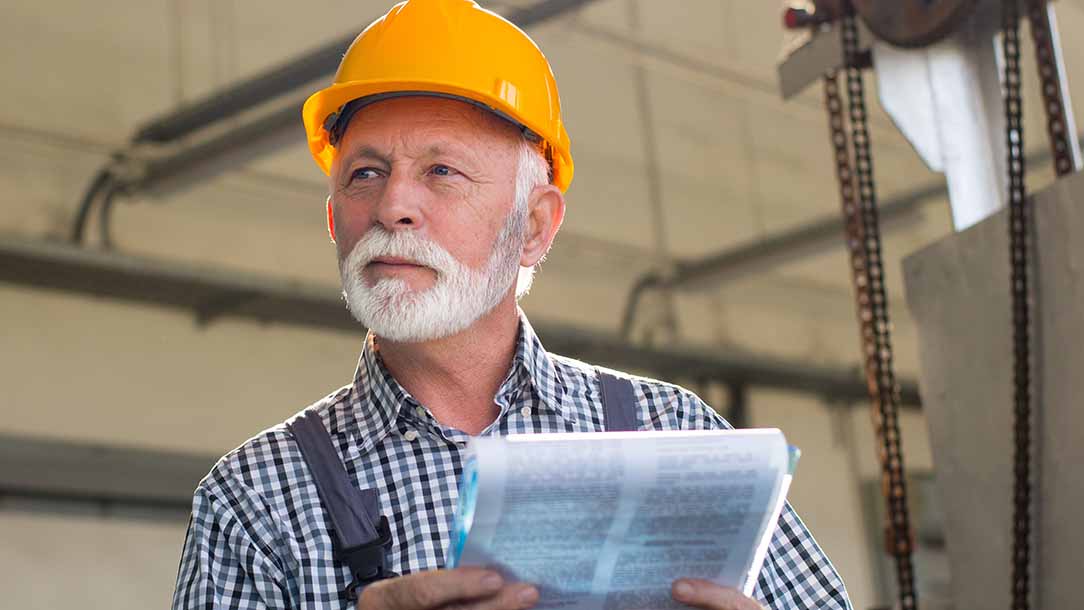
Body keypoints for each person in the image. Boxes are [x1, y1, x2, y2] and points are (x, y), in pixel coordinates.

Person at [171, 1, 852, 609]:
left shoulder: (673, 435)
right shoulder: (255, 499)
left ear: (534, 226)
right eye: (366, 173)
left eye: (442, 171)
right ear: (332, 220)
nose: (392, 206)